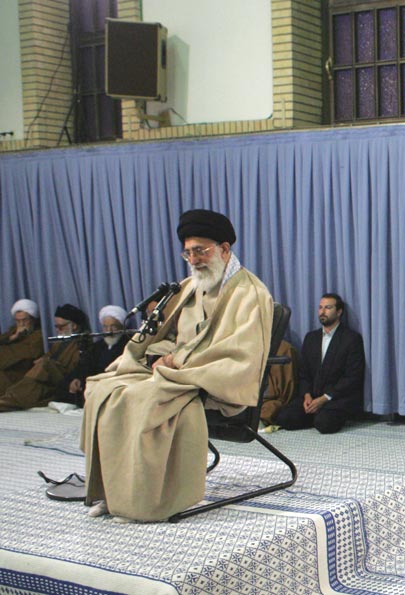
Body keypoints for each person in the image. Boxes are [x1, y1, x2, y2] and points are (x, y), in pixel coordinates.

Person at [81, 209, 273, 522]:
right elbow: (165, 335)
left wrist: (177, 361)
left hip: (210, 381)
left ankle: (143, 501)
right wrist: (152, 355)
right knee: (103, 389)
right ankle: (112, 493)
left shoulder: (251, 294)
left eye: (201, 251)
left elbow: (240, 356)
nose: (194, 260)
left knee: (139, 399)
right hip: (173, 373)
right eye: (188, 253)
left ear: (224, 249)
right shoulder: (189, 287)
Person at [275, 293, 365, 434]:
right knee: (284, 418)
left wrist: (324, 399)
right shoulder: (311, 338)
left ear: (339, 312)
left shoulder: (351, 339)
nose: (323, 312)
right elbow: (304, 373)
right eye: (320, 307)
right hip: (312, 396)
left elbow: (352, 377)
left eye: (328, 308)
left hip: (336, 398)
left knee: (324, 423)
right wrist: (307, 396)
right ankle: (312, 413)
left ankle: (318, 416)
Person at [0, 304, 89, 412]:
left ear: (74, 326)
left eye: (61, 327)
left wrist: (47, 363)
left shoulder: (83, 342)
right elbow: (49, 355)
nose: (58, 330)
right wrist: (11, 338)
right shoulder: (60, 341)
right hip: (45, 376)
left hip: (62, 378)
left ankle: (5, 402)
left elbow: (76, 368)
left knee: (42, 368)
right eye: (56, 327)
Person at [60, 305, 130, 408]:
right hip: (95, 385)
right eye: (105, 327)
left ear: (121, 327)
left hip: (115, 384)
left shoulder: (129, 345)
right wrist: (78, 379)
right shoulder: (98, 346)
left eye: (113, 326)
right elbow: (85, 366)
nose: (109, 330)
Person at [0, 299, 44, 393]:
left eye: (24, 320)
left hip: (18, 373)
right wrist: (11, 338)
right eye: (18, 321)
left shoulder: (38, 335)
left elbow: (16, 354)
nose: (21, 324)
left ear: (33, 319)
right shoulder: (12, 331)